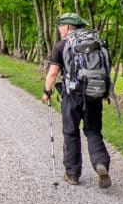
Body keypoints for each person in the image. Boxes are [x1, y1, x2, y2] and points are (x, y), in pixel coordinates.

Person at [42, 12, 112, 188]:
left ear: (66, 27)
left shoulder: (62, 45)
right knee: (93, 131)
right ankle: (100, 164)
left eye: (60, 27)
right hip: (93, 95)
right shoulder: (97, 44)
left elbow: (52, 73)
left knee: (71, 132)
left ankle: (72, 174)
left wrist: (46, 91)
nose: (59, 30)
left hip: (72, 97)